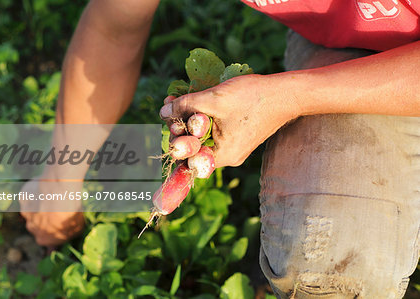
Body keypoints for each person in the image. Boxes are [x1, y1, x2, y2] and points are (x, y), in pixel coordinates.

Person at [21, 0, 420, 298]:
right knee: (329, 271)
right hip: (352, 42)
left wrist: (291, 97)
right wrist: (61, 179)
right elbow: (112, 27)